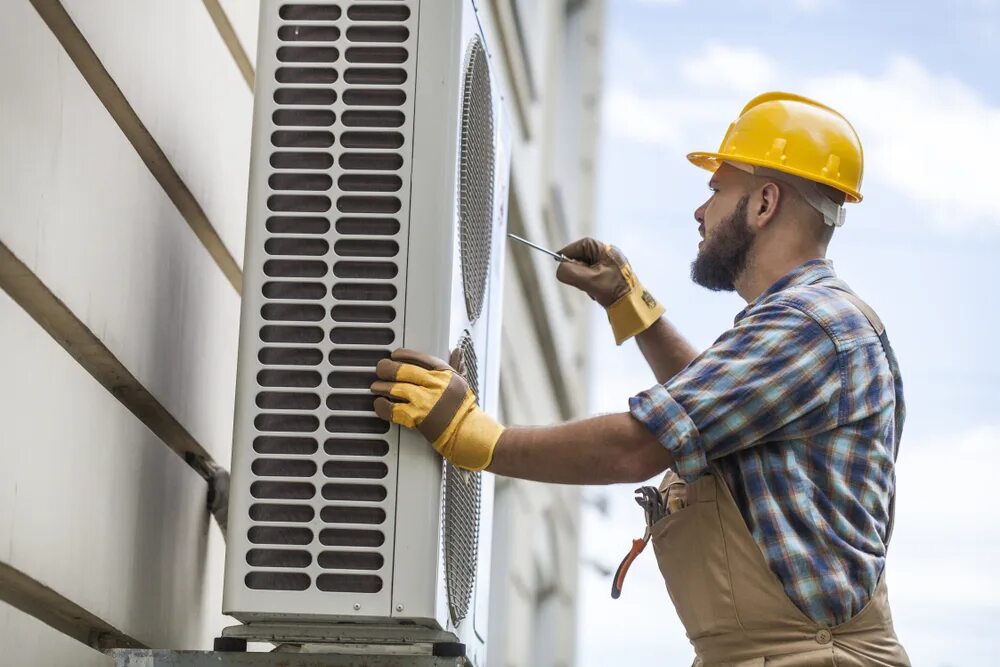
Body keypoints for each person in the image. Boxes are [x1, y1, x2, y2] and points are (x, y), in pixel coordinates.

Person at [370, 92, 909, 666]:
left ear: (764, 203)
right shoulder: (809, 324)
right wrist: (630, 304)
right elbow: (712, 409)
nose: (700, 213)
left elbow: (640, 443)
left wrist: (473, 436)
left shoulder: (810, 324)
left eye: (716, 190)